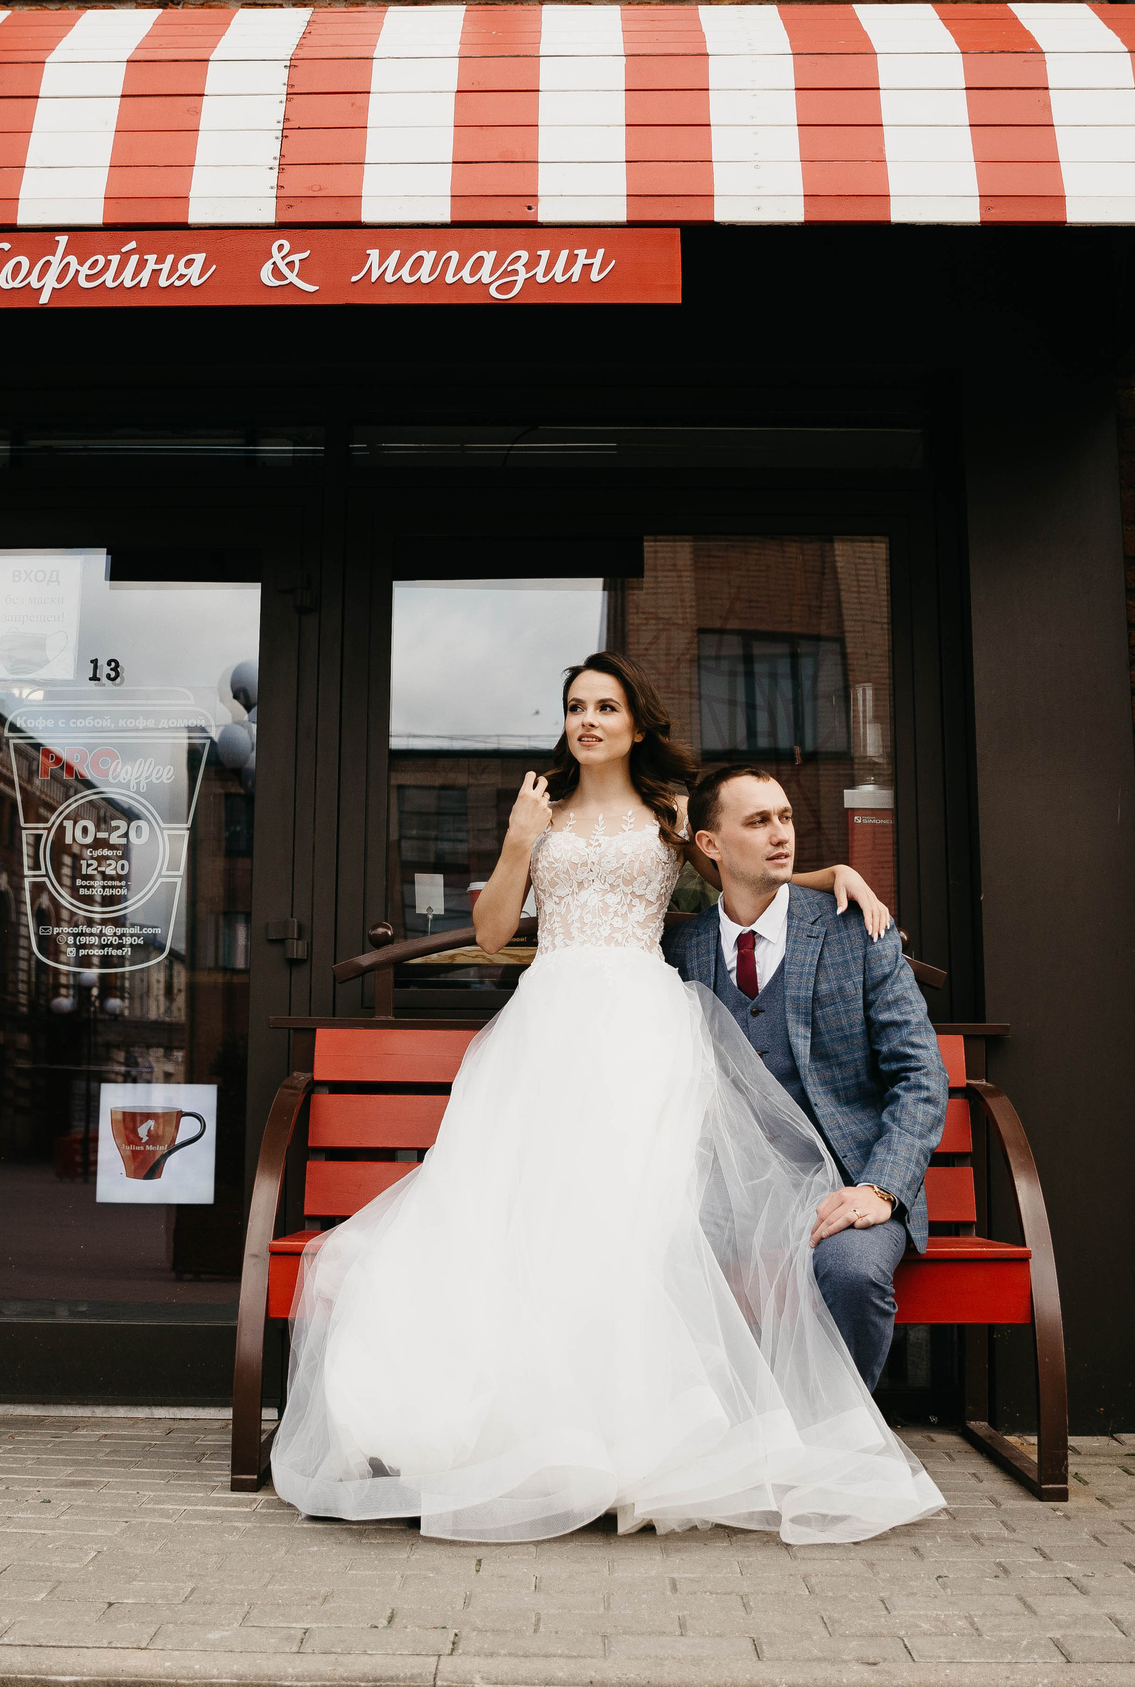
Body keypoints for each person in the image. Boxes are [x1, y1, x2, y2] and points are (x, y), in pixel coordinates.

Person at [270, 651, 945, 1544]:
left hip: (643, 1024)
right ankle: (531, 1434)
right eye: (575, 706)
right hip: (548, 1023)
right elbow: (489, 933)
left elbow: (741, 862)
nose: (588, 720)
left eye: (606, 706)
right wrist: (517, 841)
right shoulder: (538, 806)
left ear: (635, 721)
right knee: (521, 1221)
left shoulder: (671, 810)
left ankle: (637, 1438)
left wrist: (832, 876)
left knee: (633, 1222)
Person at [662, 764, 948, 1392]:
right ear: (709, 844)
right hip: (730, 1193)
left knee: (850, 1273)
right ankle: (727, 1435)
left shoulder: (855, 929)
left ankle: (838, 1441)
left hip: (847, 1182)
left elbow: (921, 1075)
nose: (780, 834)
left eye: (785, 817)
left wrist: (881, 1186)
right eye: (758, 821)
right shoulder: (680, 952)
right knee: (654, 1266)